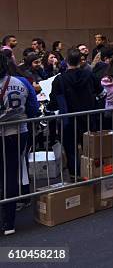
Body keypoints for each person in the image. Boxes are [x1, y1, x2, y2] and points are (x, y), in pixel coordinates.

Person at [48, 48, 104, 176]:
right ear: (81, 61)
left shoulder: (59, 79)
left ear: (66, 61)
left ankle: (75, 176)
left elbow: (53, 102)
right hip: (89, 117)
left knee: (71, 150)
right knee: (89, 149)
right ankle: (91, 174)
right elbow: (101, 93)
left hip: (69, 120)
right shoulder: (90, 75)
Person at [0, 53, 39, 236]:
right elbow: (33, 108)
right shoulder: (22, 82)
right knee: (12, 172)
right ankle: (9, 222)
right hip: (18, 132)